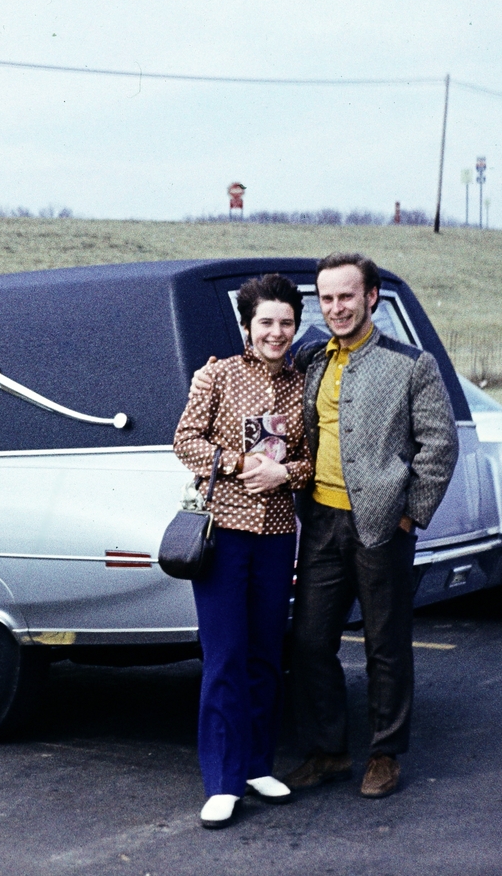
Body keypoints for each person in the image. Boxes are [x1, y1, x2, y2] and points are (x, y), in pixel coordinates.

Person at [190, 253, 458, 800]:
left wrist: (411, 512)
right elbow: (260, 380)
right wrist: (211, 372)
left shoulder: (411, 364)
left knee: (386, 645)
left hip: (381, 525)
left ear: (371, 298)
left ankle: (384, 753)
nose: (336, 307)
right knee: (309, 643)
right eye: (327, 299)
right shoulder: (311, 361)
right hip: (318, 525)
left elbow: (440, 445)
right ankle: (328, 751)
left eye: (346, 297)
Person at [172, 273, 314, 830]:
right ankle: (223, 782)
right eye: (266, 322)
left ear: (295, 325)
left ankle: (257, 765)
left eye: (285, 322)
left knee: (264, 655)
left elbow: (312, 461)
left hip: (278, 536)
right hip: (224, 534)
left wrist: (285, 471)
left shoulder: (303, 386)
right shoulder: (217, 375)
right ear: (247, 326)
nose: (276, 332)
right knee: (226, 655)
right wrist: (239, 463)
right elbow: (185, 440)